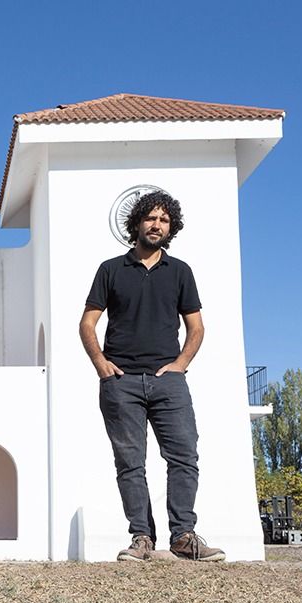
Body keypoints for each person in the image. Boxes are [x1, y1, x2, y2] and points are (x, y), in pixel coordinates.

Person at [79, 189, 225, 562]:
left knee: (183, 456)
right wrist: (101, 364)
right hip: (120, 383)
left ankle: (184, 536)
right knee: (130, 464)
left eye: (163, 219)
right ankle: (142, 538)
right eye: (150, 218)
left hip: (168, 382)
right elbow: (87, 323)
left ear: (170, 226)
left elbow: (197, 328)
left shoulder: (180, 272)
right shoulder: (110, 269)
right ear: (137, 223)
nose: (156, 224)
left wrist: (180, 364)